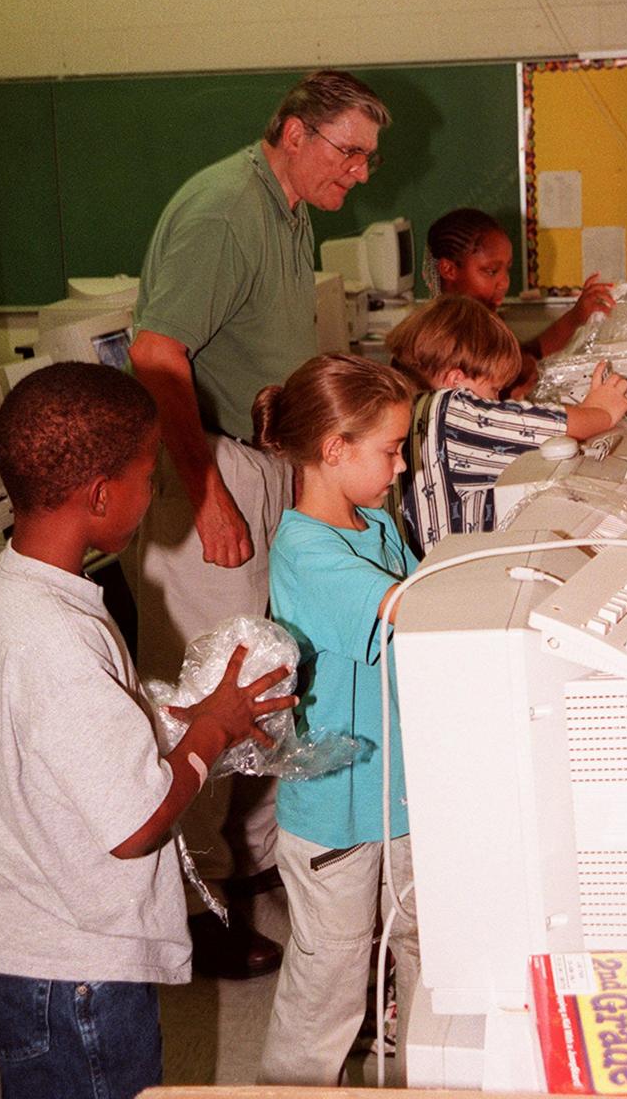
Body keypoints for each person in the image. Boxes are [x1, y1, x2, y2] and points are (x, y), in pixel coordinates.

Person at [0, 362, 296, 1099]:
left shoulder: (24, 586)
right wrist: (212, 735)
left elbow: (68, 736)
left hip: (37, 933)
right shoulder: (55, 634)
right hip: (71, 968)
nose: (158, 487)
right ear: (101, 494)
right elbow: (136, 826)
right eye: (149, 473)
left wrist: (186, 718)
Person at [125, 69, 392, 977]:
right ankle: (191, 913)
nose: (358, 174)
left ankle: (240, 871)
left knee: (268, 678)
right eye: (347, 152)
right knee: (212, 688)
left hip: (257, 459)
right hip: (207, 465)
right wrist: (206, 495)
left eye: (366, 158)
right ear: (290, 130)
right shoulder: (224, 209)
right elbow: (156, 353)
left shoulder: (285, 205)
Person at [251, 354, 420, 1087]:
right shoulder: (308, 550)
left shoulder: (375, 522)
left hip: (402, 792)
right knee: (331, 979)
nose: (404, 464)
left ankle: (423, 1073)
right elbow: (413, 606)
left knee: (422, 946)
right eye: (390, 450)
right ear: (333, 450)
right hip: (336, 814)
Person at [385, 294, 627, 557]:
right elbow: (555, 428)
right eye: (494, 390)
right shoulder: (450, 413)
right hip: (456, 580)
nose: (498, 402)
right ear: (455, 381)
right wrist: (601, 411)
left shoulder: (410, 409)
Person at [425, 206, 616, 395]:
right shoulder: (443, 338)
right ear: (449, 270)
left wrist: (577, 316)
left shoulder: (483, 322)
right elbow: (523, 366)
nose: (504, 282)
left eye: (507, 269)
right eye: (491, 271)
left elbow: (527, 357)